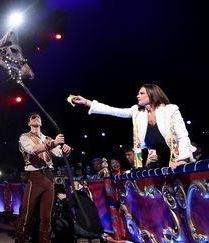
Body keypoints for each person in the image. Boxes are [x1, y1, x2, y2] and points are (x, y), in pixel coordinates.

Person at [72, 84, 195, 169]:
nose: (138, 96)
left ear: (152, 94)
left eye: (141, 93)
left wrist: (182, 160)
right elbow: (113, 110)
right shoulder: (137, 112)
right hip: (158, 164)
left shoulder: (170, 109)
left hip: (178, 160)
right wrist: (86, 102)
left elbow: (182, 136)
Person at [15, 112, 72, 243]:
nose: (36, 118)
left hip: (49, 177)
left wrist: (66, 150)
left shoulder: (47, 138)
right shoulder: (24, 137)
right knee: (26, 215)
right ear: (29, 123)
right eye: (32, 117)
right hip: (34, 178)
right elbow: (33, 149)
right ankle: (20, 240)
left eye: (38, 117)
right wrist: (53, 144)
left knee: (46, 217)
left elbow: (58, 153)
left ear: (41, 122)